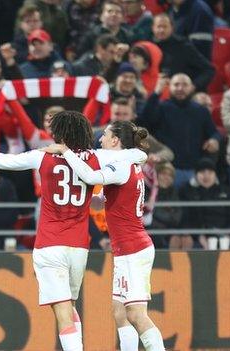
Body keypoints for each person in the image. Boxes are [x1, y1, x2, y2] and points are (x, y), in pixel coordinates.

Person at [0, 111, 146, 351]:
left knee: (63, 310)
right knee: (70, 305)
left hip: (50, 245)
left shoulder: (42, 156)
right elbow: (133, 154)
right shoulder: (96, 157)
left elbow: (7, 162)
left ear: (58, 133)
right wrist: (142, 152)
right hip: (78, 247)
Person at [41, 120, 166, 351]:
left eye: (105, 135)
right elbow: (102, 201)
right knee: (120, 312)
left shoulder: (120, 166)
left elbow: (90, 176)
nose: (100, 139)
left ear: (116, 140)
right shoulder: (128, 163)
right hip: (127, 249)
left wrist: (66, 152)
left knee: (136, 315)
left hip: (133, 249)